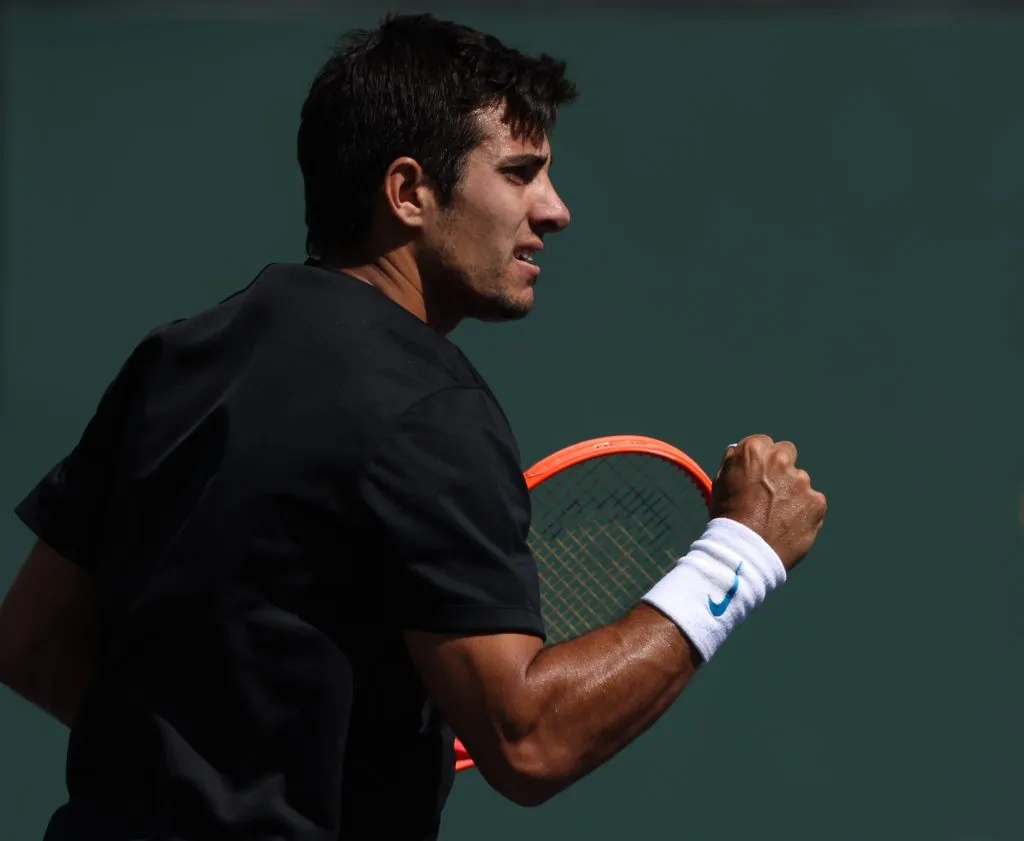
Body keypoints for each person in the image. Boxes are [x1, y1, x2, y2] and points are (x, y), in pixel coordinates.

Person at [0, 12, 827, 841]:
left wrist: (224, 777)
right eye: (520, 173)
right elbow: (529, 739)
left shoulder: (176, 358)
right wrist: (741, 553)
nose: (556, 210)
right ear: (407, 193)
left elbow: (31, 642)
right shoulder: (428, 410)